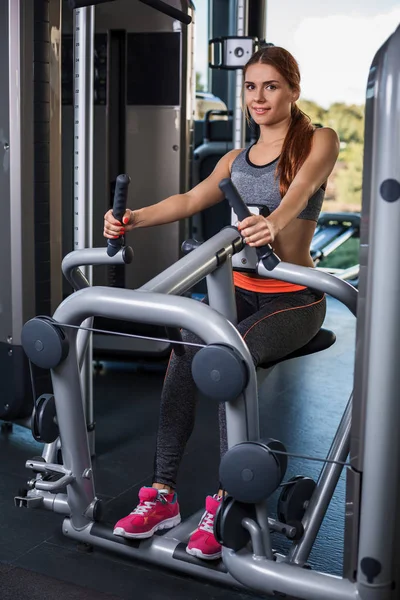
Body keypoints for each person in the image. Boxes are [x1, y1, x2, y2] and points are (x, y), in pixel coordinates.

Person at [103, 46, 339, 561]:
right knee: (186, 351)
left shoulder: (317, 140)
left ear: (293, 90)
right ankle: (162, 495)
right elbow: (189, 200)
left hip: (295, 298)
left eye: (271, 86)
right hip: (237, 292)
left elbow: (299, 191)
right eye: (251, 86)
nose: (259, 97)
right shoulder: (234, 160)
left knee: (225, 361)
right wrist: (133, 218)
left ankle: (225, 504)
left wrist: (274, 223)